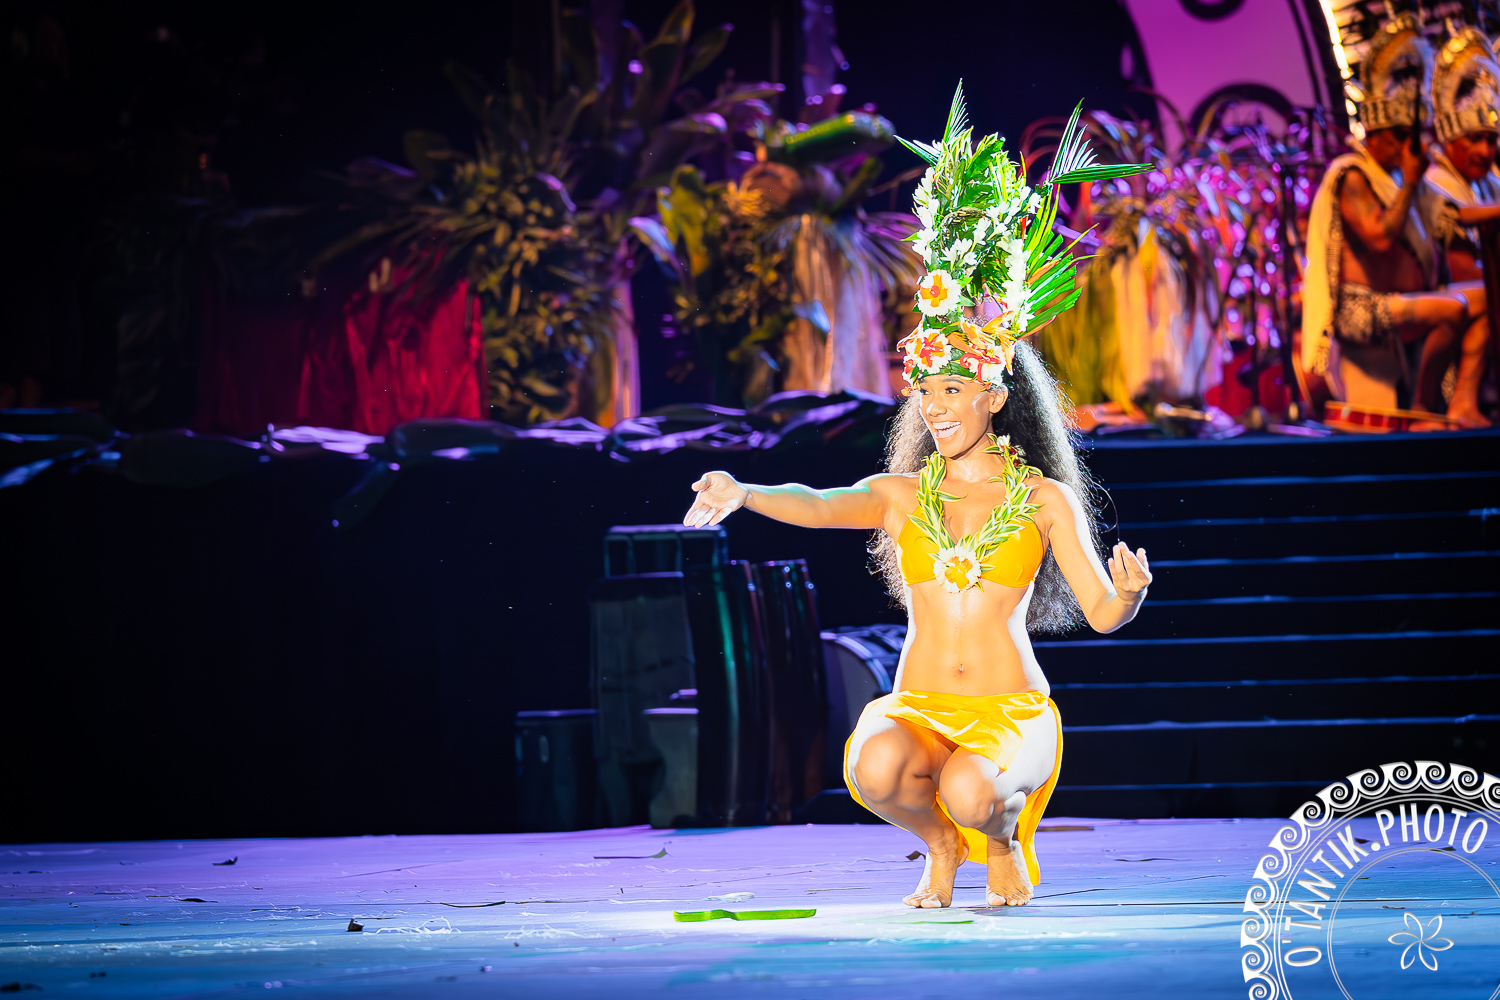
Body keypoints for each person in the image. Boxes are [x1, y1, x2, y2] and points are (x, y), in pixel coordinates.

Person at [682, 89, 1153, 909]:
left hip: (1010, 714)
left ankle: (996, 841)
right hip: (921, 705)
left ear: (995, 396)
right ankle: (939, 847)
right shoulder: (902, 495)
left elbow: (1102, 613)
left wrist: (1131, 594)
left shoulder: (1042, 498)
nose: (935, 408)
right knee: (873, 767)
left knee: (972, 790)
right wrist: (745, 490)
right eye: (925, 391)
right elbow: (819, 503)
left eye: (953, 391)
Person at [1301, 12, 1487, 418]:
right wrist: (1411, 182)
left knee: (1488, 298)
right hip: (1358, 309)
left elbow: (1457, 217)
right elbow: (1381, 238)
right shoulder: (1352, 175)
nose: (1408, 146)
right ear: (1375, 132)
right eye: (1400, 137)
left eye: (1411, 137)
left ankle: (1463, 402)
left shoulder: (1403, 180)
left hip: (1400, 302)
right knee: (1453, 307)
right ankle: (1422, 409)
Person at [1419, 24, 1500, 427]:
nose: (1486, 151)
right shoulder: (1435, 182)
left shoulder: (1490, 182)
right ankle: (1463, 401)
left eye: (1491, 139)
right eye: (1475, 139)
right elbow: (1464, 271)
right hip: (1447, 301)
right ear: (1451, 137)